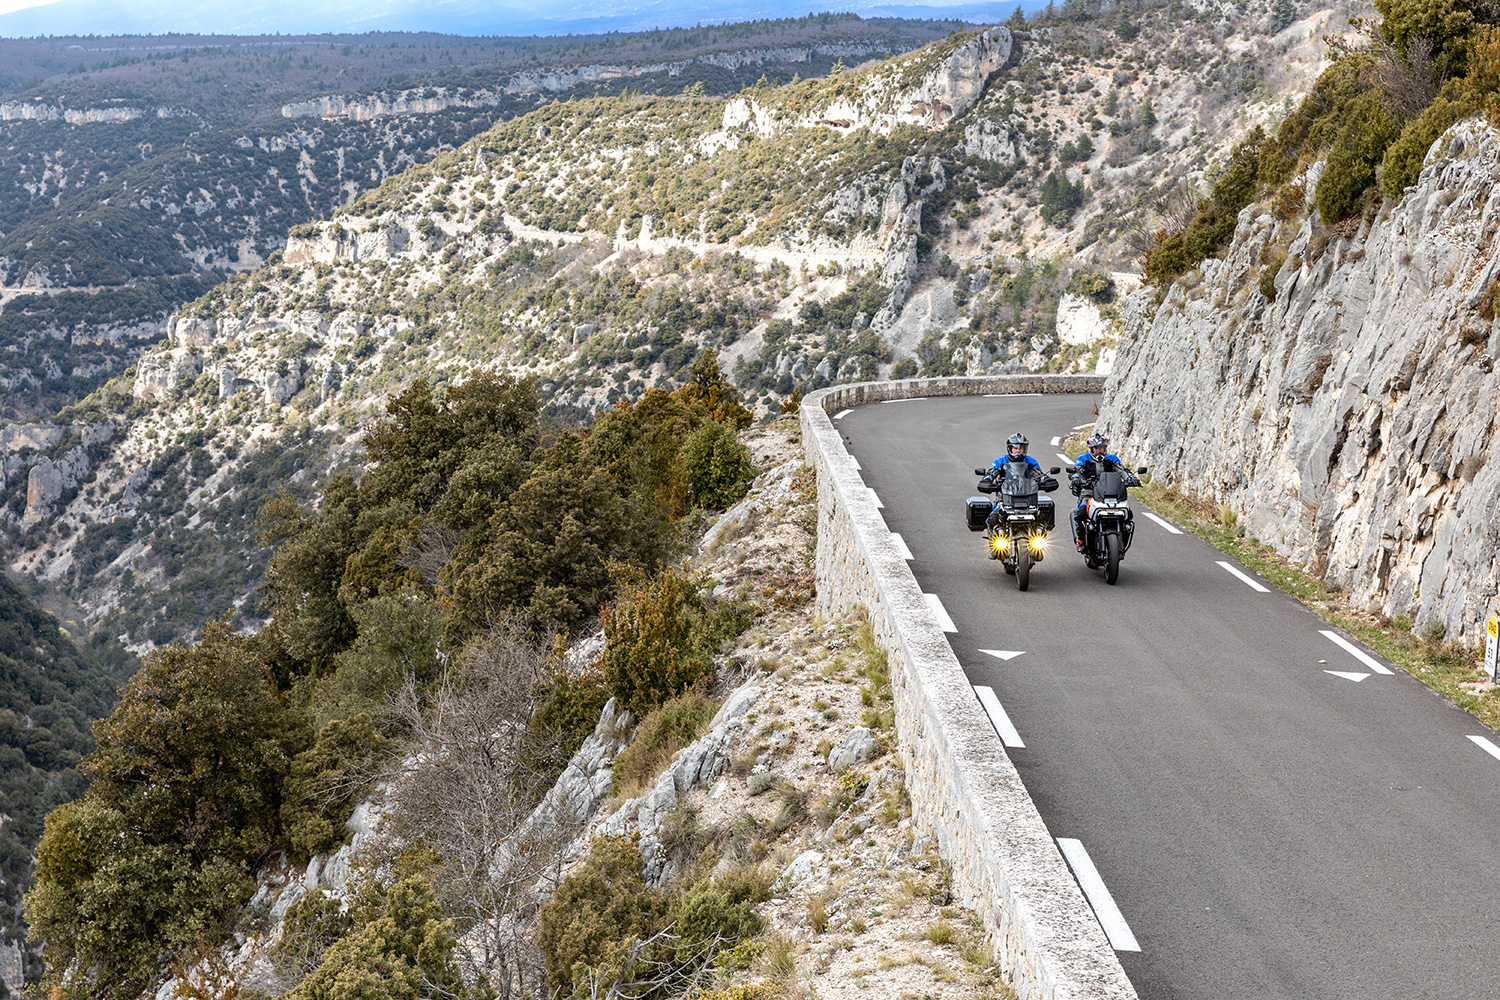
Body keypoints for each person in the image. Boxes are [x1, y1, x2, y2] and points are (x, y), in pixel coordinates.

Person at [1069, 432, 1139, 550]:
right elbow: (1077, 472)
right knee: (1081, 513)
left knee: (1128, 516)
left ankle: (1121, 540)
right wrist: (1076, 480)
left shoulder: (1112, 459)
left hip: (1112, 493)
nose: (1099, 451)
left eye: (1102, 448)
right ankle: (1080, 539)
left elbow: (1122, 470)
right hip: (1089, 493)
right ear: (1091, 448)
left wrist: (1132, 479)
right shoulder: (1083, 459)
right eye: (1097, 448)